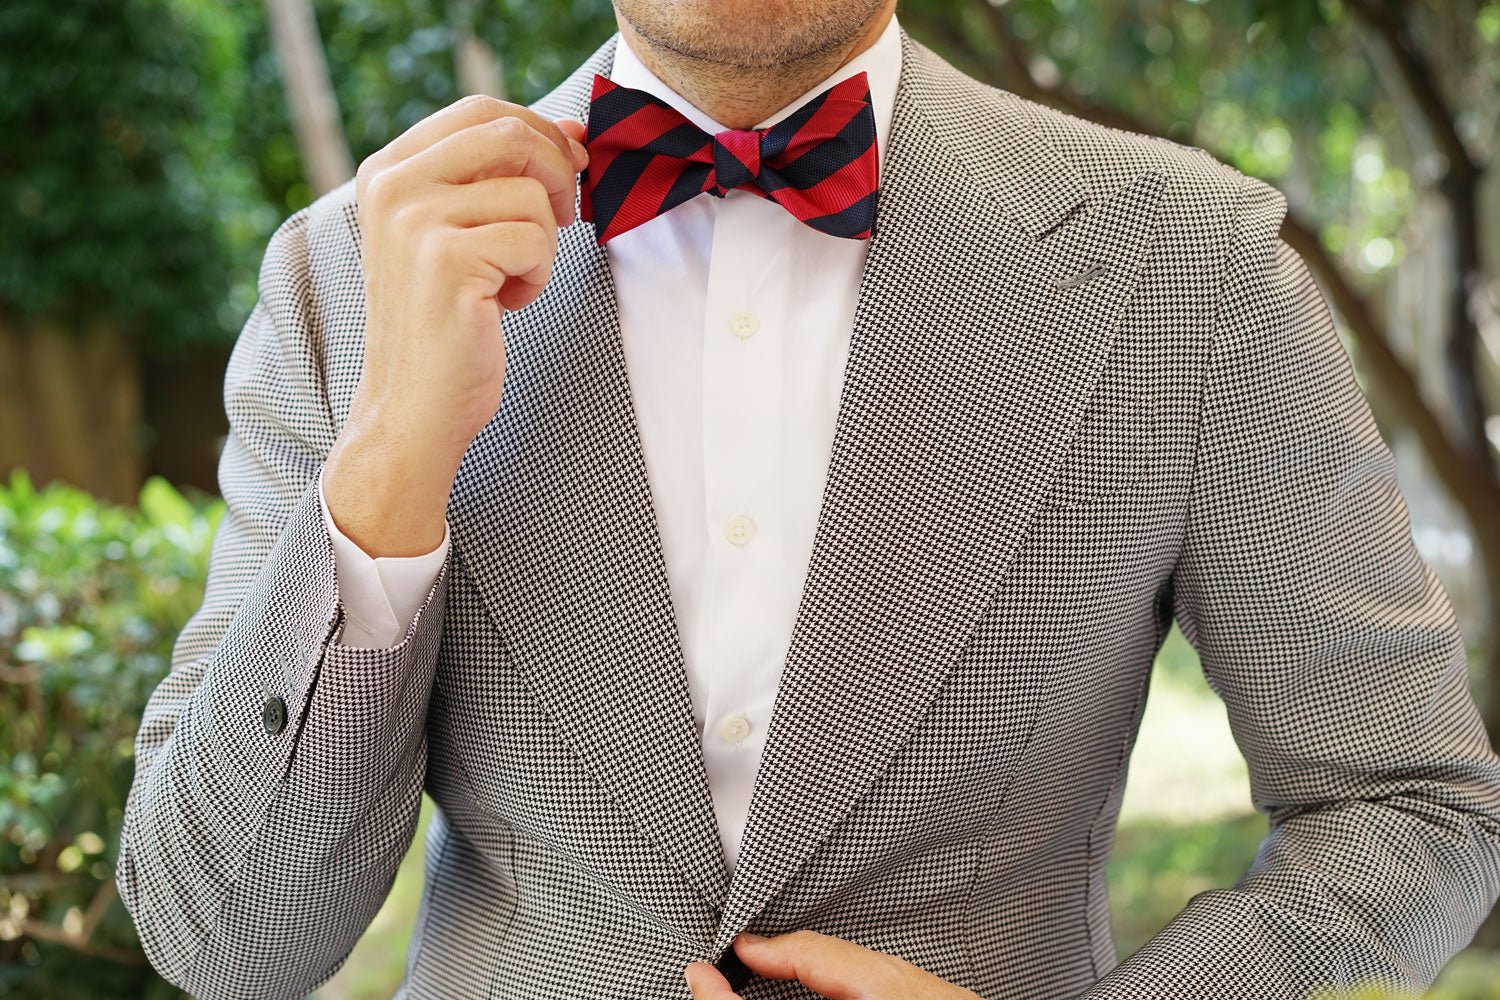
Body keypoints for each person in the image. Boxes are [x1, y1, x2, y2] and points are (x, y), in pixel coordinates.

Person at [116, 1, 1500, 997]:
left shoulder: (1190, 268)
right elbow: (225, 945)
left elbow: (1415, 807)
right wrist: (386, 469)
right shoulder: (346, 276)